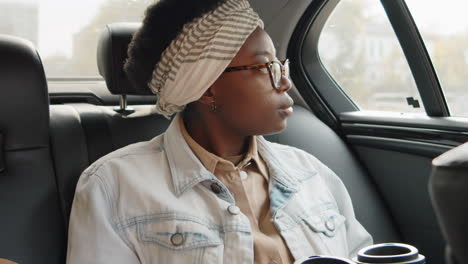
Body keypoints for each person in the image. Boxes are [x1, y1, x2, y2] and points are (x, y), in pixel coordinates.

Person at [66, 0, 372, 263]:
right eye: (264, 67)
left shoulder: (313, 173)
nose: (284, 82)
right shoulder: (112, 187)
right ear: (207, 88)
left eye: (280, 65)